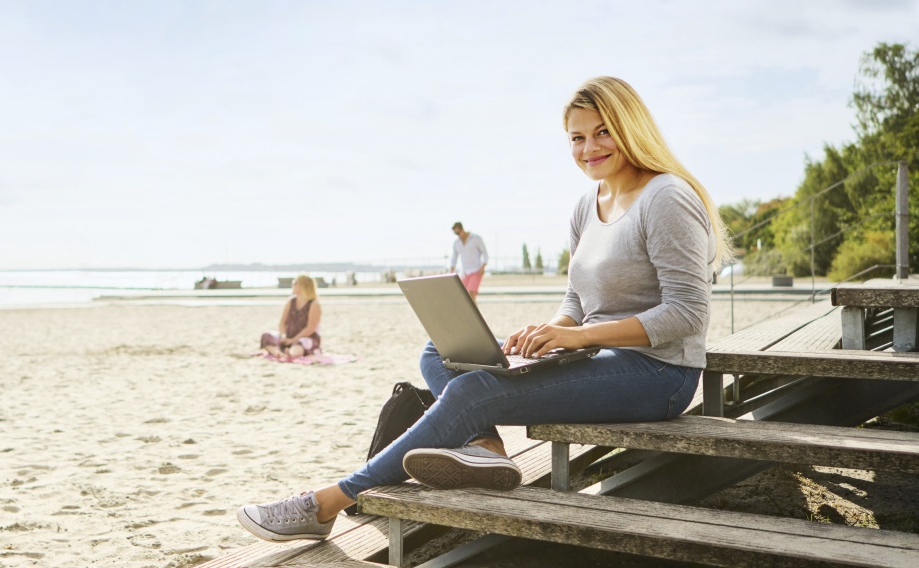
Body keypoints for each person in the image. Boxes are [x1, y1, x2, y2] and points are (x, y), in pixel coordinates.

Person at [236, 76, 731, 542]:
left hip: (660, 374)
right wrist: (549, 331)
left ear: (630, 127)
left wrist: (578, 338)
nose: (589, 148)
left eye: (603, 132)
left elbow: (687, 314)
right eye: (576, 138)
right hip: (593, 356)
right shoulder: (589, 203)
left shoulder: (666, 197)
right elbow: (578, 299)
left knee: (474, 389)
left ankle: (326, 503)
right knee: (440, 351)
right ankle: (487, 449)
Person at [259, 274, 322, 359]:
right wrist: (283, 336)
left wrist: (293, 340)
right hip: (289, 336)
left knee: (301, 343)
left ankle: (291, 354)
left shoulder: (314, 304)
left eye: (295, 283)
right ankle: (277, 353)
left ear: (304, 285)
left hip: (306, 338)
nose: (293, 285)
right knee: (266, 335)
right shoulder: (291, 301)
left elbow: (310, 328)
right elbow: (282, 322)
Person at [449, 222, 489, 301]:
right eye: (455, 234)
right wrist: (451, 271)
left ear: (462, 229)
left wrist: (483, 266)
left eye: (458, 233)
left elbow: (485, 253)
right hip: (465, 273)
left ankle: (474, 313)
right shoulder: (456, 243)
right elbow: (454, 258)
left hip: (476, 271)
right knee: (464, 296)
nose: (457, 235)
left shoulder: (476, 238)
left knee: (471, 293)